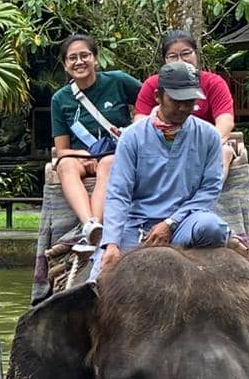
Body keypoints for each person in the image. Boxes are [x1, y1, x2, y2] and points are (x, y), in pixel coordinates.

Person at [94, 61, 231, 278]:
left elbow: (210, 190)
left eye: (190, 100)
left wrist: (170, 222)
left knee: (211, 226)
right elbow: (119, 193)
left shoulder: (209, 136)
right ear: (158, 96)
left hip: (184, 223)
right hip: (138, 224)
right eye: (176, 100)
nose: (184, 107)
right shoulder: (132, 136)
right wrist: (111, 243)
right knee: (100, 278)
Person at [49, 34, 142, 249]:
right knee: (65, 165)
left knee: (109, 164)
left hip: (115, 154)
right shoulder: (60, 99)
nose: (79, 62)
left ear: (95, 59)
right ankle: (90, 225)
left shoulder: (118, 80)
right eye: (72, 58)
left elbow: (150, 100)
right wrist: (88, 157)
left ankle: (96, 225)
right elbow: (62, 150)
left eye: (85, 55)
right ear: (65, 65)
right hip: (79, 157)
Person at [133, 30, 239, 175]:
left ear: (196, 54)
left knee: (224, 152)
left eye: (186, 53)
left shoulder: (213, 83)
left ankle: (206, 196)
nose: (180, 60)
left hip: (204, 145)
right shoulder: (153, 84)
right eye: (172, 56)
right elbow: (140, 122)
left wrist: (204, 146)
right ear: (164, 60)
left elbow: (225, 122)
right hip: (162, 146)